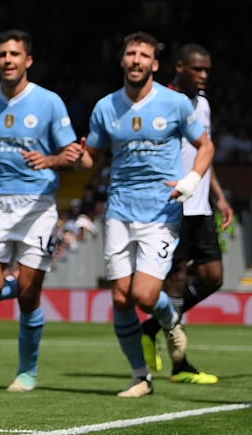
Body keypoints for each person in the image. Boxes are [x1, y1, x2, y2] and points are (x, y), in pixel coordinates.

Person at [0, 29, 87, 393]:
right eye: (2, 55)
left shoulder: (49, 102)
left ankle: (27, 371)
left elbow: (72, 157)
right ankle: (22, 288)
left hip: (37, 206)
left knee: (28, 296)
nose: (7, 60)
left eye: (14, 54)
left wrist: (53, 159)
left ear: (28, 61)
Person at [83, 32, 215, 397]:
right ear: (122, 60)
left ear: (154, 64)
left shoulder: (174, 105)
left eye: (144, 55)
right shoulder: (105, 107)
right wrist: (75, 156)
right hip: (119, 211)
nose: (136, 60)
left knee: (144, 295)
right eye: (131, 53)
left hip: (160, 212)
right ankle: (141, 377)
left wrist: (191, 180)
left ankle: (171, 321)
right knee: (121, 298)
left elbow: (206, 146)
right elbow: (90, 156)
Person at [140, 44, 233, 385]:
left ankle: (152, 326)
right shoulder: (161, 102)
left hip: (201, 207)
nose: (204, 76)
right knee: (176, 278)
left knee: (213, 277)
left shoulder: (203, 105)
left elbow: (203, 153)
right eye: (198, 70)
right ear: (179, 68)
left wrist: (220, 197)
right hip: (172, 205)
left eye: (207, 70)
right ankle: (180, 365)